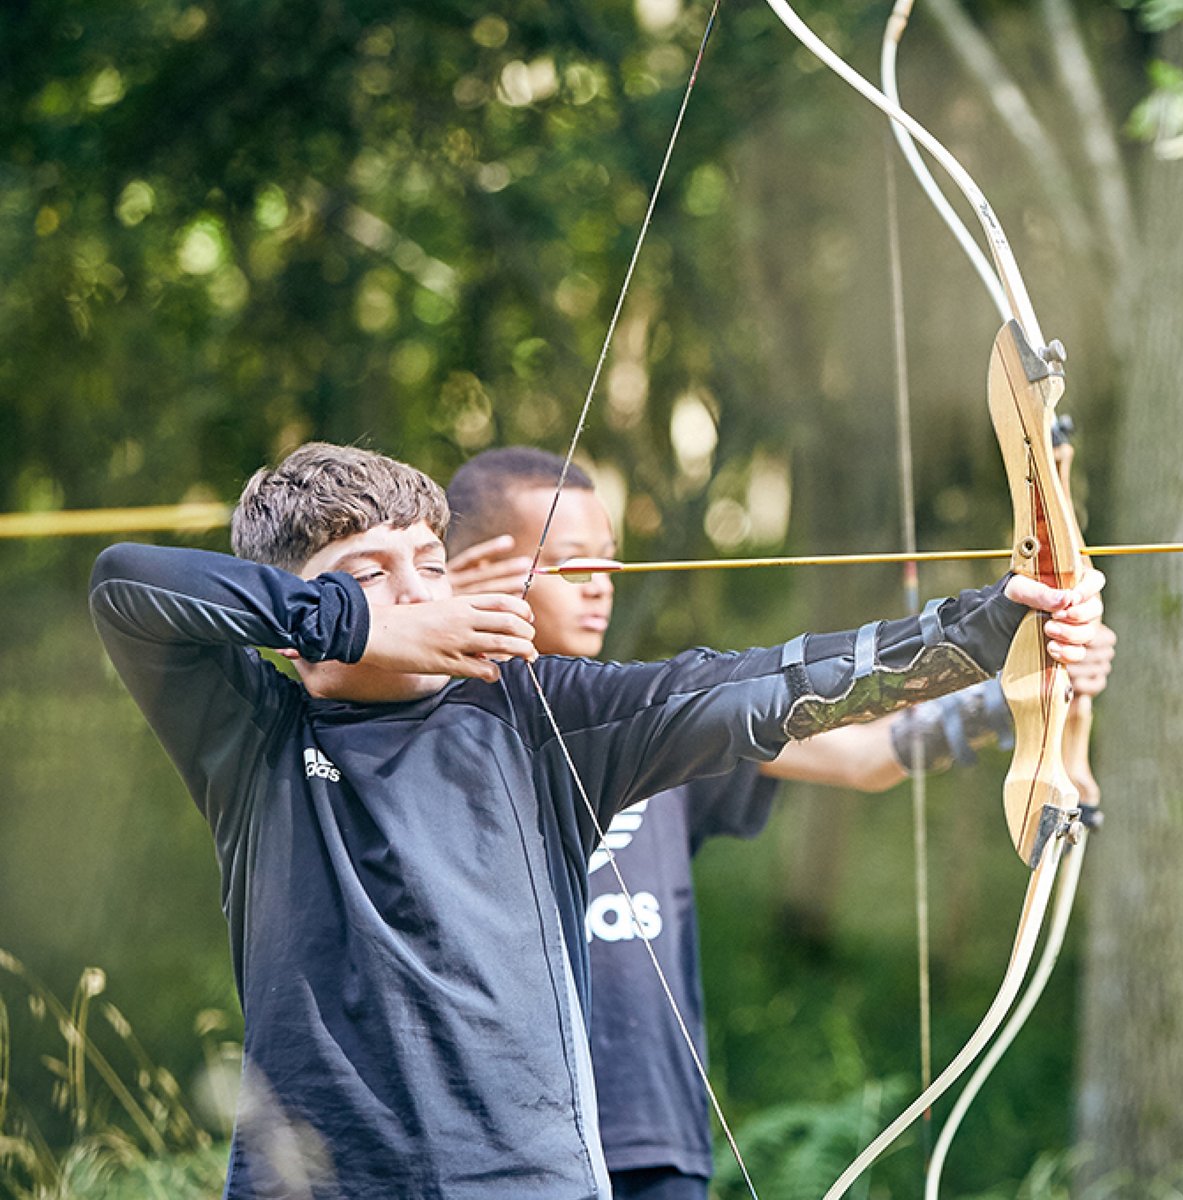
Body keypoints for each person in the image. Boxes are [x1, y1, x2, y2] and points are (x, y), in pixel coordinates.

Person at [88, 442, 1105, 1200]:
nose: (413, 590)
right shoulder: (254, 740)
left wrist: (991, 630)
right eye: (365, 572)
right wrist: (358, 623)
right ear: (289, 613)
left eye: (427, 564)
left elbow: (758, 687)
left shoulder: (542, 715)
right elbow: (126, 584)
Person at [445, 446, 1115, 1200]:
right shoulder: (428, 740)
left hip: (650, 1134)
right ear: (478, 569)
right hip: (500, 1143)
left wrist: (1022, 686)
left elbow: (866, 755)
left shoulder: (656, 726)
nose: (603, 585)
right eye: (571, 565)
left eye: (610, 560)